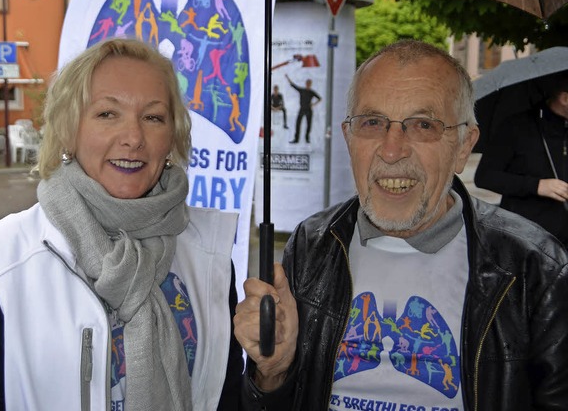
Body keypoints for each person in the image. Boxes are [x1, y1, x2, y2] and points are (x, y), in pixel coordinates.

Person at [234, 40, 568, 410]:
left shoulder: (535, 268)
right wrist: (273, 373)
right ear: (348, 137)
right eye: (372, 123)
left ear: (462, 146)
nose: (392, 150)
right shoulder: (313, 244)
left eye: (423, 125)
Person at [0, 38, 243, 410]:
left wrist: (271, 375)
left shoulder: (209, 257)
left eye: (153, 117)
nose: (133, 138)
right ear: (68, 130)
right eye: (107, 114)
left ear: (173, 136)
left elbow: (227, 397)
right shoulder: (1, 261)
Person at [474, 73, 568, 247]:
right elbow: (484, 177)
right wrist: (537, 186)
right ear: (565, 98)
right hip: (526, 241)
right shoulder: (516, 127)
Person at [285, 74, 321, 143]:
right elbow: (293, 85)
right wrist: (287, 78)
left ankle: (307, 139)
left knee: (308, 125)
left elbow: (319, 98)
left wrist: (313, 104)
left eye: (309, 84)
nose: (308, 85)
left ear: (310, 84)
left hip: (308, 110)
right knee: (298, 124)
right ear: (306, 84)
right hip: (302, 109)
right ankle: (296, 139)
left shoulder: (311, 92)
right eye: (307, 83)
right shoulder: (302, 90)